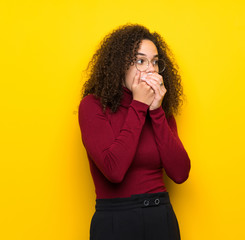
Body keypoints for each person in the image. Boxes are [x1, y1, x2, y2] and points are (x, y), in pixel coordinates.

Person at [78, 23, 191, 240]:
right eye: (140, 61)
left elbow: (180, 173)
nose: (150, 69)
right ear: (120, 65)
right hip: (115, 222)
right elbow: (114, 170)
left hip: (161, 218)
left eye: (155, 62)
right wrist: (139, 106)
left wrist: (157, 112)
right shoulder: (92, 106)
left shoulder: (161, 112)